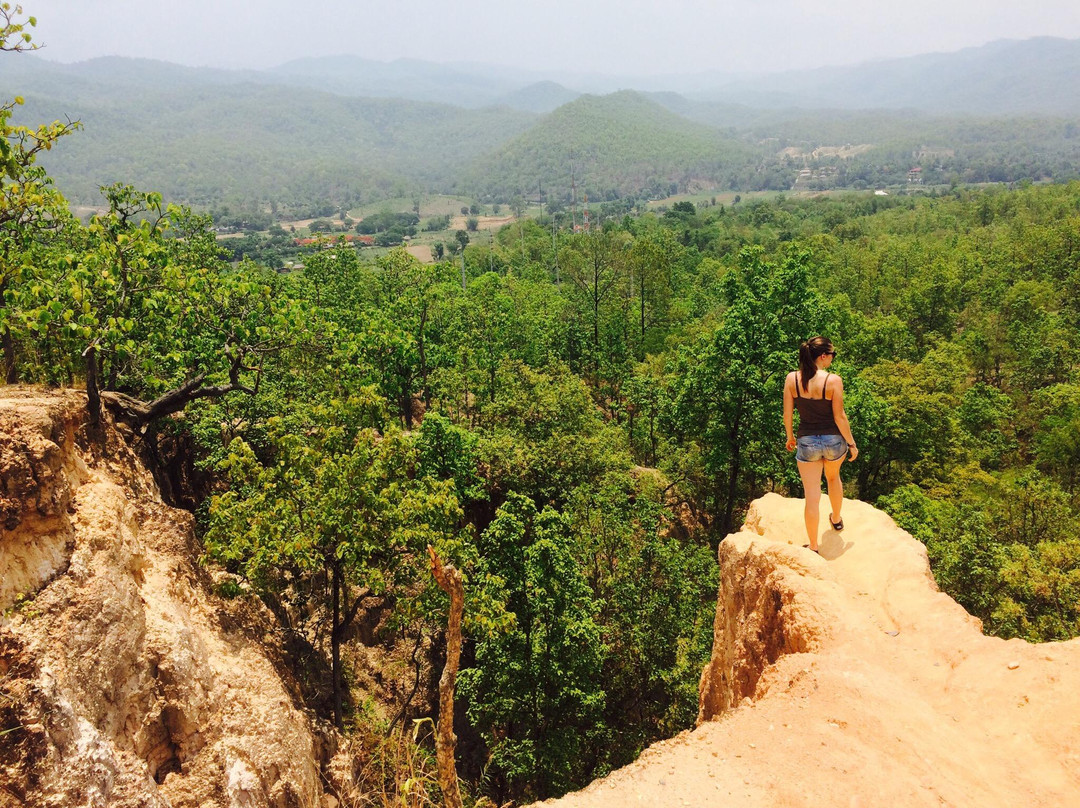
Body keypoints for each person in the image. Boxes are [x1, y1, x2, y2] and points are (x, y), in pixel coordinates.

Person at [782, 337, 858, 554]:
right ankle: (836, 519)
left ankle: (814, 546)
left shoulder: (792, 379)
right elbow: (840, 416)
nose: (833, 358)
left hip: (807, 441)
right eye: (832, 354)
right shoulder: (833, 381)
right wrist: (851, 444)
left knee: (812, 494)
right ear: (823, 356)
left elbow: (788, 413)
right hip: (833, 440)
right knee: (833, 478)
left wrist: (790, 437)